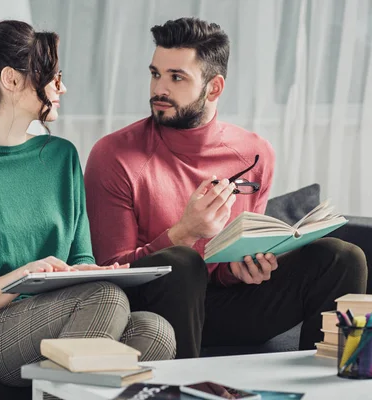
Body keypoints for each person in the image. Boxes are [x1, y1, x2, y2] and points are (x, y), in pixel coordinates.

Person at [0, 10, 176, 387]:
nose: (61, 87)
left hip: (63, 314)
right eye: (54, 77)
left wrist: (88, 270)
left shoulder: (62, 157)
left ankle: (62, 390)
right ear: (12, 79)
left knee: (155, 330)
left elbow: (80, 258)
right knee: (104, 299)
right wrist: (28, 274)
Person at [84, 17, 367, 359]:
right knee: (182, 261)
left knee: (342, 256)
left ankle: (333, 384)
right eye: (155, 73)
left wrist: (241, 270)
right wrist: (184, 233)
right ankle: (184, 392)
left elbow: (229, 262)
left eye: (176, 77)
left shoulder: (255, 152)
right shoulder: (114, 155)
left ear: (214, 88)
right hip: (154, 314)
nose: (159, 89)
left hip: (228, 309)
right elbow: (112, 274)